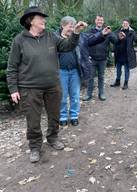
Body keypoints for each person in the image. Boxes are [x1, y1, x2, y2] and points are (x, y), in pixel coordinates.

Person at [6, 6, 86, 163]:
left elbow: (67, 46)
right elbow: (12, 67)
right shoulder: (19, 40)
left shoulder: (50, 36)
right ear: (30, 21)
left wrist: (75, 32)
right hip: (30, 87)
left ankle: (53, 138)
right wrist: (13, 89)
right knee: (33, 119)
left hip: (52, 85)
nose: (44, 20)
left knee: (54, 115)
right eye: (40, 17)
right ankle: (35, 147)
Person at [56, 16, 110, 127]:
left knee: (75, 96)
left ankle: (74, 116)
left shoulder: (80, 37)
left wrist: (102, 34)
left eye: (73, 26)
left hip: (75, 71)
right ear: (62, 26)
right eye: (69, 26)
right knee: (62, 96)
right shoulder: (55, 37)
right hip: (61, 71)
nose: (72, 29)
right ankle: (63, 116)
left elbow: (92, 39)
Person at [83, 15, 117, 101]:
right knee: (91, 77)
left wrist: (110, 33)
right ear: (95, 21)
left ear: (103, 21)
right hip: (92, 58)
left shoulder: (107, 31)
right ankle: (88, 94)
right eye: (98, 20)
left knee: (101, 77)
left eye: (101, 20)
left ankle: (101, 93)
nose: (100, 21)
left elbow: (116, 41)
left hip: (103, 58)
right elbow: (87, 42)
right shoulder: (90, 31)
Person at [110, 19, 137, 90]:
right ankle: (117, 81)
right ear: (122, 24)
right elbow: (114, 41)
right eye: (124, 23)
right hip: (119, 54)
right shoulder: (118, 31)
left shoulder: (132, 32)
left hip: (127, 54)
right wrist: (113, 51)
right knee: (118, 69)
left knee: (126, 70)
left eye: (126, 23)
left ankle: (126, 83)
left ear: (129, 24)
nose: (125, 24)